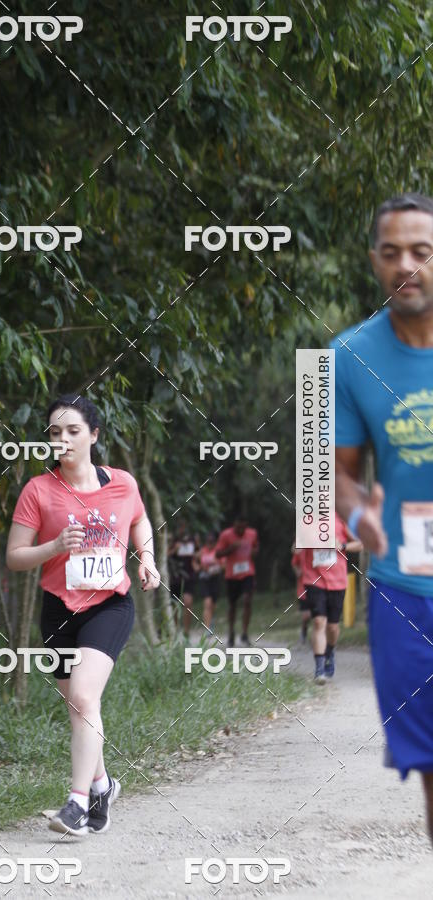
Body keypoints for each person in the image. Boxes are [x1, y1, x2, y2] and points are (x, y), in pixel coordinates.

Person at [6, 394, 160, 837]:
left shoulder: (123, 483)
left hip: (109, 604)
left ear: (93, 435)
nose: (64, 440)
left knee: (83, 697)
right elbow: (14, 557)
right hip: (58, 609)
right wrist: (54, 547)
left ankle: (75, 803)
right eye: (55, 432)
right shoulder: (38, 490)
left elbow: (139, 520)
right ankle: (102, 786)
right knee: (78, 707)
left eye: (73, 431)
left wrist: (147, 558)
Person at [332, 192, 433, 843]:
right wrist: (356, 514)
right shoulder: (350, 355)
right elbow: (340, 474)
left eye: (422, 251)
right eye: (392, 252)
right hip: (405, 591)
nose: (406, 266)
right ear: (374, 260)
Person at [297, 514, 362, 682]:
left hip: (337, 581)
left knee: (332, 627)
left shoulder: (341, 520)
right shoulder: (306, 520)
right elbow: (296, 547)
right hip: (313, 579)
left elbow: (360, 544)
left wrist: (342, 545)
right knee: (319, 622)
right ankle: (319, 669)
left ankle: (330, 651)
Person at [215, 518, 259, 647]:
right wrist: (231, 548)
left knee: (247, 600)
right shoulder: (226, 535)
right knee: (232, 605)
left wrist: (254, 552)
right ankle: (231, 632)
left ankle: (244, 633)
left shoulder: (252, 533)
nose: (240, 531)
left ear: (246, 526)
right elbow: (218, 554)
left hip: (248, 573)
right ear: (234, 525)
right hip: (232, 575)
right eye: (238, 528)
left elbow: (256, 548)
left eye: (243, 528)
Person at [167, 523, 196, 637]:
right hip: (175, 578)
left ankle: (186, 632)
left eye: (184, 526)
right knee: (174, 605)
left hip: (188, 577)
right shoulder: (172, 540)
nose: (182, 529)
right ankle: (174, 631)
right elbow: (164, 556)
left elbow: (199, 552)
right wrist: (175, 549)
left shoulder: (193, 540)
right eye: (180, 526)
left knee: (188, 602)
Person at [196, 532, 223, 631]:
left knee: (213, 605)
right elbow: (194, 561)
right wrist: (198, 567)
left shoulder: (218, 552)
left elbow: (223, 565)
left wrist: (215, 569)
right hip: (204, 579)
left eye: (212, 542)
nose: (210, 544)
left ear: (215, 542)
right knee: (207, 603)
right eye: (208, 542)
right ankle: (207, 629)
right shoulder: (202, 551)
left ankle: (210, 620)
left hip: (215, 580)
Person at [291, 542, 311, 646]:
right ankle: (304, 632)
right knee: (306, 616)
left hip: (319, 584)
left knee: (319, 616)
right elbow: (294, 562)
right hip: (303, 587)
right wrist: (298, 571)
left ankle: (320, 638)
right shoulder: (300, 546)